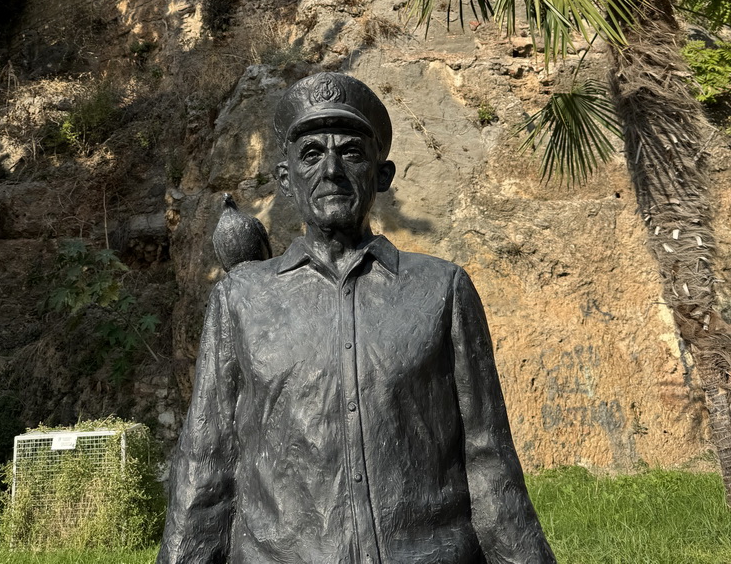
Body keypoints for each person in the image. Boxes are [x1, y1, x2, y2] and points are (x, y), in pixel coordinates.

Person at [157, 73, 557, 564]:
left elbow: (488, 459)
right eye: (311, 154)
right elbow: (206, 463)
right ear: (286, 179)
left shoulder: (442, 290)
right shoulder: (241, 298)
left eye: (350, 152)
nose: (331, 170)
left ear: (382, 175)